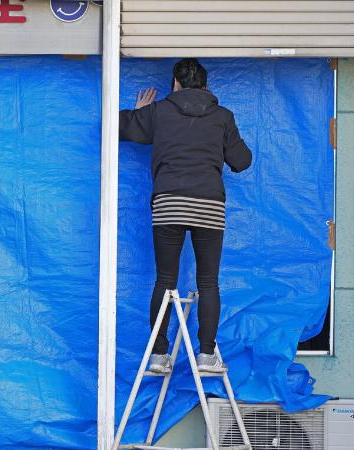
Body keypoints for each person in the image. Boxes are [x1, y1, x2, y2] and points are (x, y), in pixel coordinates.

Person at [119, 58, 252, 373]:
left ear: (174, 84)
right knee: (208, 282)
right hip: (208, 206)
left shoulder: (160, 111)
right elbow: (243, 160)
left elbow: (118, 126)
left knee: (165, 279)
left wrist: (140, 113)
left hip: (168, 204)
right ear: (206, 87)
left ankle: (159, 354)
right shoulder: (222, 117)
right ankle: (207, 354)